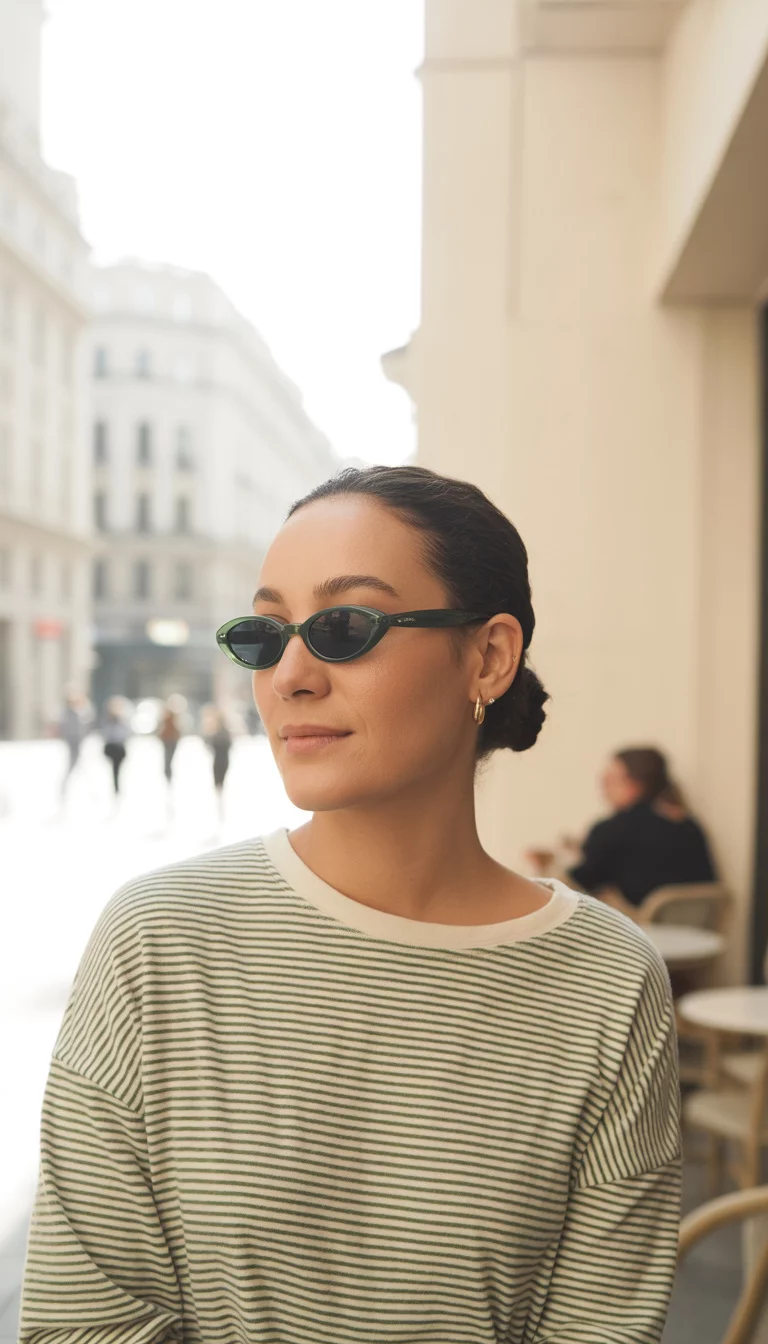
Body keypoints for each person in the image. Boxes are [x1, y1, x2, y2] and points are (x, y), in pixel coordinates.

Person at [21, 466, 681, 1344]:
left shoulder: (606, 977)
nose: (289, 675)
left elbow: (604, 1326)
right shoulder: (161, 940)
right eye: (265, 633)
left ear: (487, 656)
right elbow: (83, 1320)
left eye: (342, 627)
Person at [527, 746, 716, 917]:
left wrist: (546, 866)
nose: (603, 787)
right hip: (695, 937)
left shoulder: (612, 828)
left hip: (639, 935)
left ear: (634, 783)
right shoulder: (688, 823)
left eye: (609, 779)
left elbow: (575, 887)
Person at [56, 687, 93, 795]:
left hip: (80, 742)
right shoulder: (67, 713)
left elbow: (88, 720)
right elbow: (65, 728)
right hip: (73, 742)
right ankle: (64, 791)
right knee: (73, 766)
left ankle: (88, 792)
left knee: (83, 767)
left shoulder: (80, 711)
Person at [202, 704, 233, 819]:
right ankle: (219, 803)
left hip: (222, 760)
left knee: (220, 782)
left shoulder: (222, 731)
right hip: (219, 760)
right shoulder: (215, 731)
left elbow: (227, 744)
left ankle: (221, 804)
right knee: (218, 783)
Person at [101, 697, 130, 796]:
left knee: (117, 769)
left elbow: (125, 734)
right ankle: (115, 787)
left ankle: (117, 787)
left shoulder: (122, 720)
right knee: (114, 769)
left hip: (119, 748)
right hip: (112, 747)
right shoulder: (108, 720)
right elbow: (106, 734)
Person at [156, 703, 181, 783]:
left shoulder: (173, 720)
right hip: (168, 741)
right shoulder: (166, 720)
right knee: (167, 758)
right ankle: (167, 774)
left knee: (169, 758)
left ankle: (168, 773)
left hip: (171, 741)